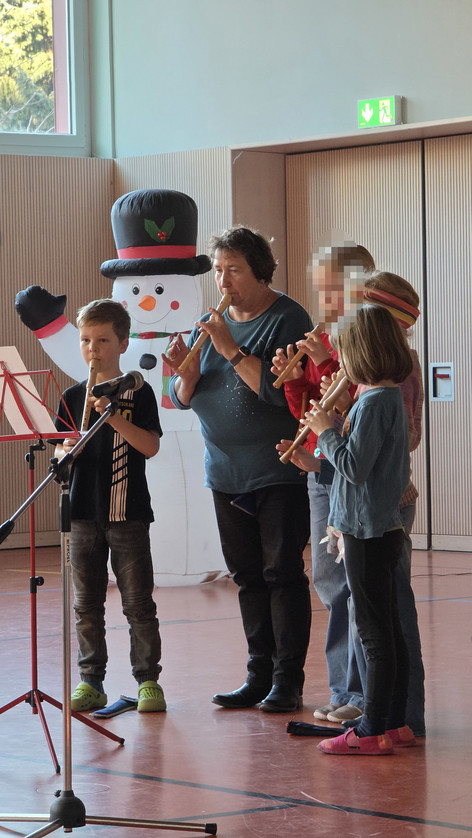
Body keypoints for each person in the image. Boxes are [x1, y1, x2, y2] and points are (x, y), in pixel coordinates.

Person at [165, 226, 312, 713]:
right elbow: (180, 398)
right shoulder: (209, 323)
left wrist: (229, 348)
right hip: (224, 471)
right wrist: (185, 377)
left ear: (259, 271)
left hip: (277, 469)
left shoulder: (287, 318)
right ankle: (258, 674)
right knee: (246, 576)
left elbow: (280, 393)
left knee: (281, 573)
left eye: (234, 270)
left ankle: (287, 681)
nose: (223, 282)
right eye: (218, 271)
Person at [303, 304, 415, 755]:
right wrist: (336, 422)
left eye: (343, 352)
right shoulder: (383, 399)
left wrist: (325, 430)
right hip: (378, 527)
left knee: (374, 635)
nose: (341, 362)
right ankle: (395, 722)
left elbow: (353, 466)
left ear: (362, 352)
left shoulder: (374, 402)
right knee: (388, 629)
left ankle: (371, 731)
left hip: (367, 532)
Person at [273, 243, 374, 724]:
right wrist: (295, 378)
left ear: (362, 287)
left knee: (357, 583)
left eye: (337, 289)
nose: (328, 301)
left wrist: (329, 365)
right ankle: (341, 688)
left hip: (352, 469)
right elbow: (310, 411)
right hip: (321, 469)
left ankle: (362, 691)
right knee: (330, 580)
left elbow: (352, 404)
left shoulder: (364, 339)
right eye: (322, 291)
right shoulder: (325, 340)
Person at [53, 298, 166, 713]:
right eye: (86, 340)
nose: (93, 349)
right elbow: (60, 457)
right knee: (86, 605)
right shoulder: (71, 396)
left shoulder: (138, 392)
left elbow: (150, 446)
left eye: (102, 340)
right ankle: (91, 681)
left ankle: (148, 681)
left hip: (127, 513)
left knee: (138, 603)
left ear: (122, 343)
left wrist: (112, 416)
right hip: (82, 513)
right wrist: (65, 451)